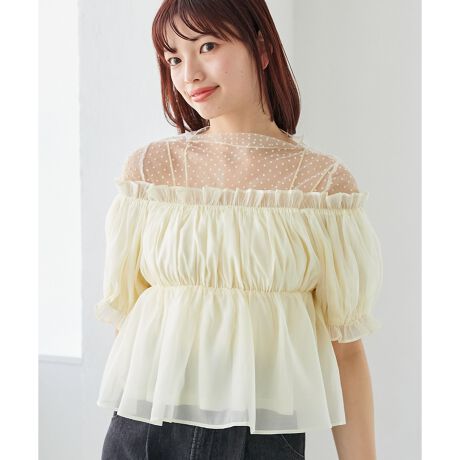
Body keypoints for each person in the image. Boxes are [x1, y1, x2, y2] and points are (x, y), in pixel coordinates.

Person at [95, 0, 384, 459]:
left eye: (207, 46)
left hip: (263, 434)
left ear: (262, 48)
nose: (189, 73)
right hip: (147, 429)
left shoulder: (321, 187)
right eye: (173, 58)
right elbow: (127, 325)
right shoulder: (151, 173)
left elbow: (346, 352)